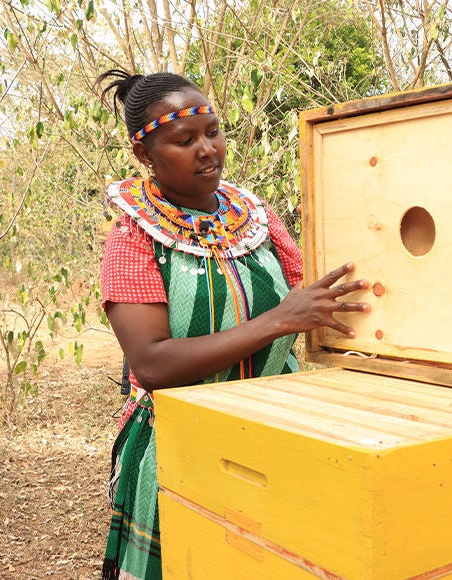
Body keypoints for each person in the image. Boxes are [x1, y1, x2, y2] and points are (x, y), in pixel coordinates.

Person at [95, 69, 370, 580]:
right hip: (182, 444)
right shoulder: (134, 237)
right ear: (145, 155)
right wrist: (277, 321)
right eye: (185, 140)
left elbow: (312, 301)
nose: (208, 150)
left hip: (278, 429)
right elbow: (153, 363)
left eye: (213, 132)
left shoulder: (255, 215)